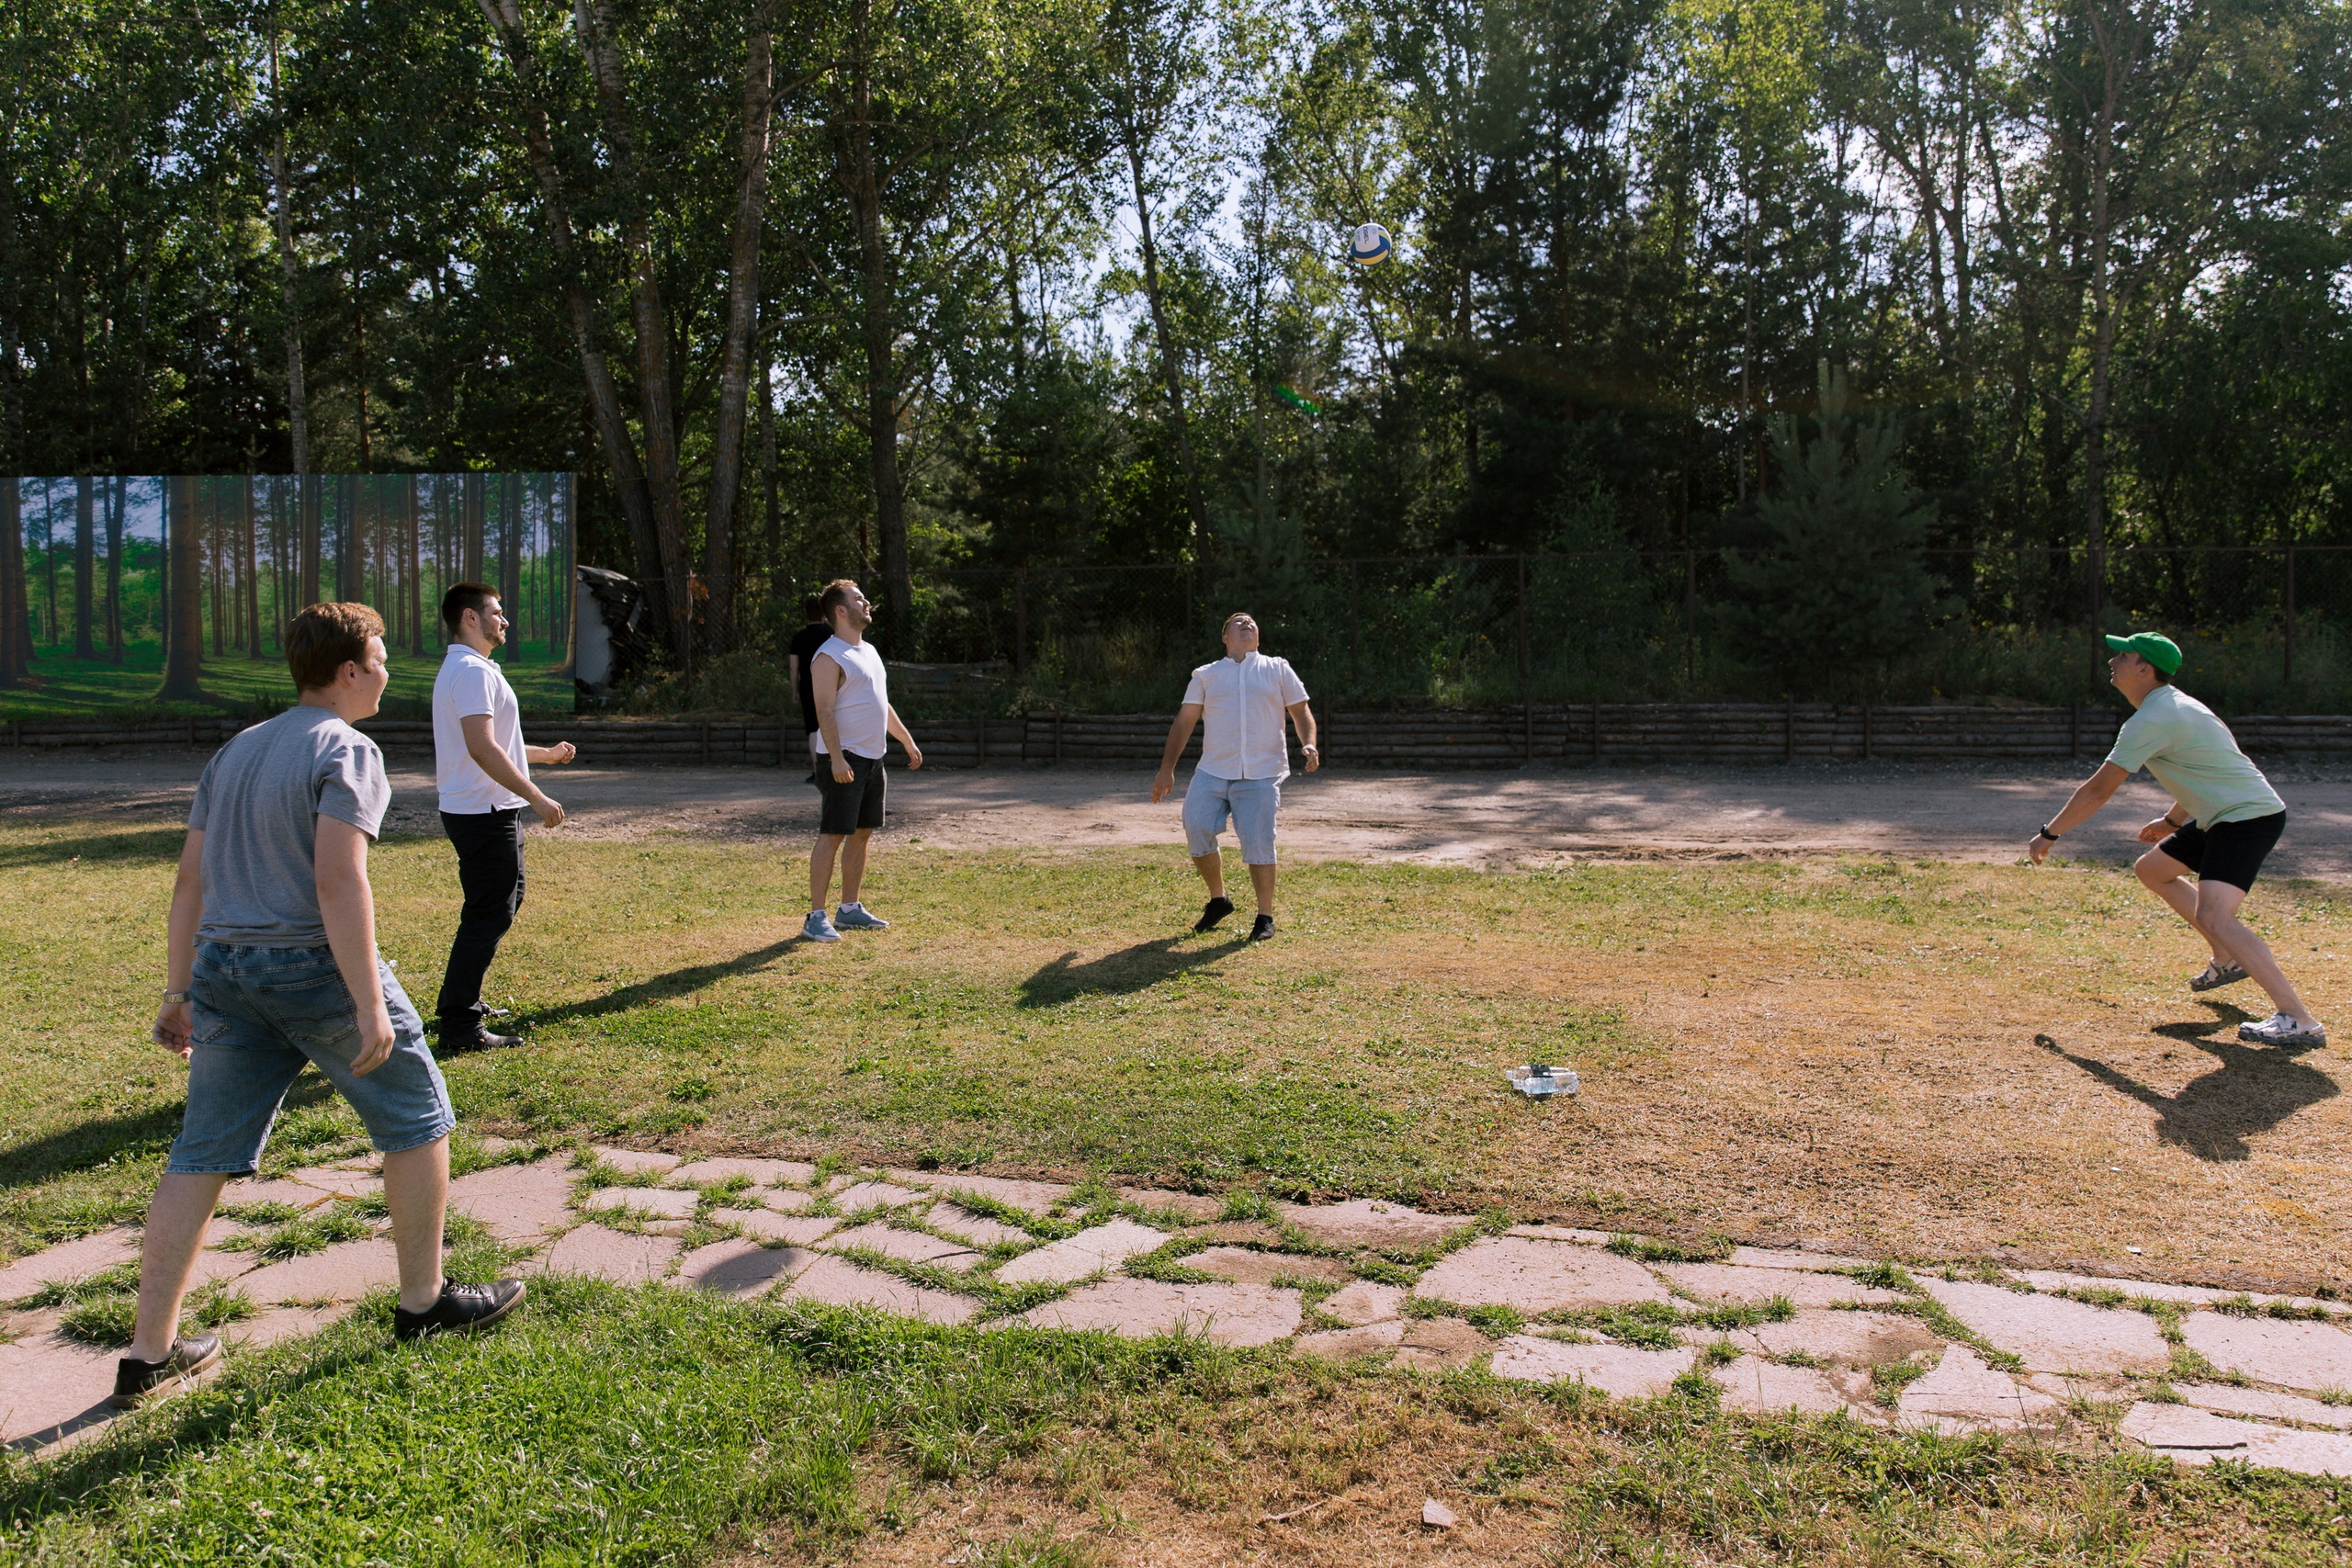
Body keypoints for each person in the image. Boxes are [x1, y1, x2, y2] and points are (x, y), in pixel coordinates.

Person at [123, 603, 526, 1410]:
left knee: (200, 1150)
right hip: (314, 969)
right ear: (349, 670)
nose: (386, 671)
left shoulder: (235, 749)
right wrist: (369, 1002)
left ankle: (147, 1355)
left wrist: (177, 992)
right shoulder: (347, 746)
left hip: (224, 973)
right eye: (379, 657)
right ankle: (425, 1304)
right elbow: (340, 880)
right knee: (419, 1118)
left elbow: (188, 882)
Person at [2030, 631, 2322, 1045]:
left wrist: (2050, 833)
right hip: (2220, 815)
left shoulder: (2152, 718)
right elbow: (2206, 768)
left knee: (2215, 915)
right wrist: (2171, 820)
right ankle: (2226, 959)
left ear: (2144, 668)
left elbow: (2098, 790)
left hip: (2245, 818)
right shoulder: (2174, 706)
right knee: (2154, 869)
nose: (2114, 660)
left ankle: (2298, 1019)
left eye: (2123, 655)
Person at [431, 582, 574, 1051]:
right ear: (470, 618)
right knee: (488, 912)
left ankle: (461, 1000)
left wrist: (545, 755)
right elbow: (482, 747)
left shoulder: (471, 668)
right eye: (496, 611)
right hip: (483, 811)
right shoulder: (471, 671)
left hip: (482, 809)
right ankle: (459, 1024)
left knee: (498, 905)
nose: (504, 620)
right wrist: (536, 795)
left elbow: (499, 746)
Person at [1150, 611, 1318, 942]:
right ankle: (1219, 900)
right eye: (1237, 622)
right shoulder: (1206, 675)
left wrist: (1309, 743)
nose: (1247, 623)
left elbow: (1301, 711)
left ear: (1258, 636)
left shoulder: (1278, 669)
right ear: (1225, 637)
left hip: (1261, 773)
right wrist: (1166, 768)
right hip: (1213, 770)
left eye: (1252, 621)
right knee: (1196, 826)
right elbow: (1184, 722)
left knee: (1259, 843)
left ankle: (1264, 916)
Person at [805, 579, 922, 942]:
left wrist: (906, 740)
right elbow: (823, 710)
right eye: (858, 599)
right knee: (833, 835)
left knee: (862, 834)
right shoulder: (829, 656)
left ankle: (850, 909)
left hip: (874, 760)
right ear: (841, 611)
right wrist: (837, 759)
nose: (866, 602)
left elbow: (880, 703)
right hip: (845, 762)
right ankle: (815, 916)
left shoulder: (868, 651)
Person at [786, 594, 831, 784]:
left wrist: (795, 690)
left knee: (813, 729)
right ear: (824, 613)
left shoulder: (799, 638)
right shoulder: (831, 635)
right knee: (831, 725)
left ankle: (817, 771)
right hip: (829, 685)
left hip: (807, 686)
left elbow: (793, 668)